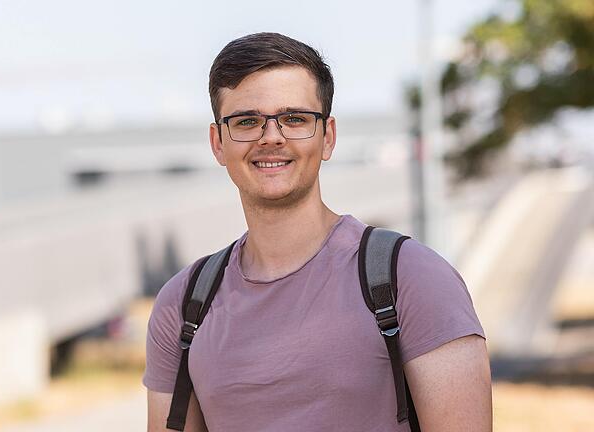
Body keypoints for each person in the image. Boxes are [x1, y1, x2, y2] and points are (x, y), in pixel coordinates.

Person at [143, 32, 492, 431]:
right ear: (218, 143)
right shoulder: (183, 306)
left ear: (328, 137)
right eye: (246, 121)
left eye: (294, 119)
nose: (271, 137)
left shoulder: (412, 278)